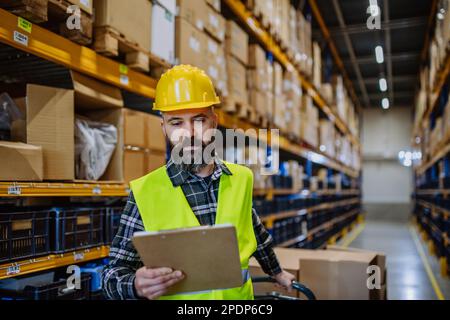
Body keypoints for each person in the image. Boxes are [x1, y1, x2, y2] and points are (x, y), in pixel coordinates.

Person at [102, 65, 295, 300]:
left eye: (199, 120)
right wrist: (135, 285)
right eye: (176, 123)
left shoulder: (242, 178)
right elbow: (112, 274)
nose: (189, 133)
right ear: (163, 128)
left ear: (214, 122)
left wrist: (277, 272)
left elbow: (255, 233)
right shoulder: (146, 192)